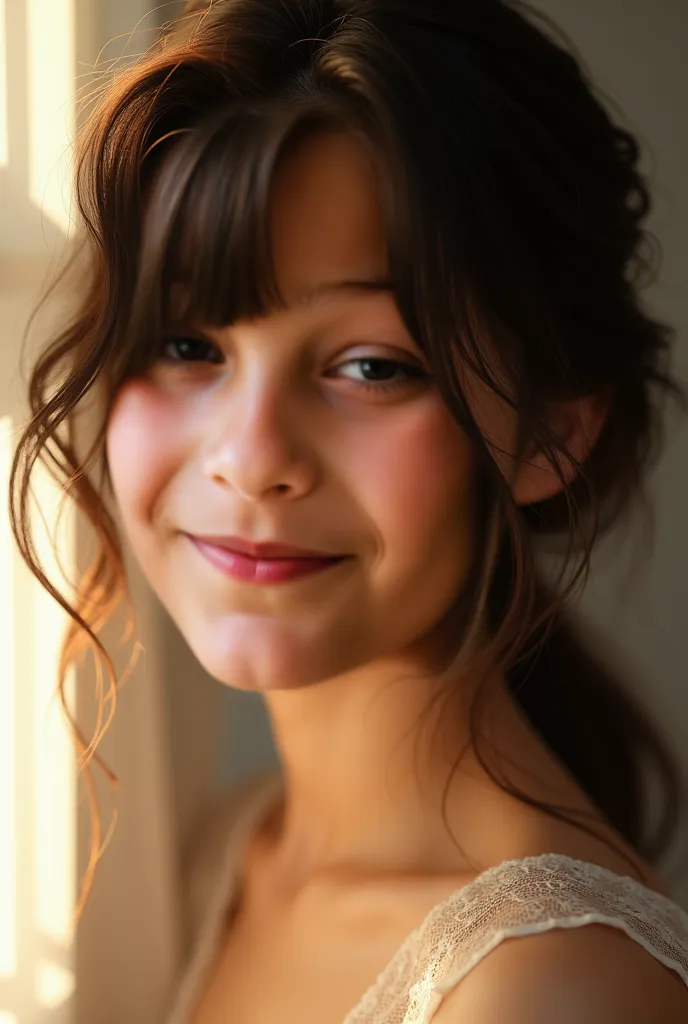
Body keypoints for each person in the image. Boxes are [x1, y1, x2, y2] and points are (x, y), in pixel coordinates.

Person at [9, 0, 688, 1021]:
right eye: (188, 344)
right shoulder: (232, 850)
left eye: (371, 366)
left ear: (553, 431)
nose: (250, 460)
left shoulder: (545, 986)